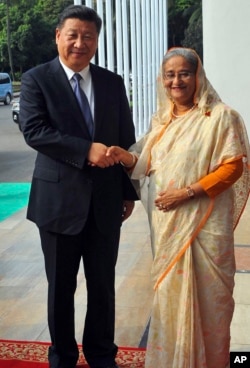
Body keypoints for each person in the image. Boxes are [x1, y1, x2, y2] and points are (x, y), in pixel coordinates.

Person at [107, 47, 250, 368]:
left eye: (184, 73)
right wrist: (124, 156)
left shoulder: (220, 116)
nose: (177, 81)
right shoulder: (162, 122)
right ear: (162, 79)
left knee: (211, 302)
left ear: (198, 76)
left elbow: (233, 167)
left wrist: (186, 193)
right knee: (171, 299)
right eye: (170, 74)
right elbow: (148, 166)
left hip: (206, 227)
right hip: (169, 228)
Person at [19, 5, 138, 368]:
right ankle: (63, 357)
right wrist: (86, 149)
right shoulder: (36, 79)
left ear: (97, 41)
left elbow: (125, 139)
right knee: (61, 289)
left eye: (88, 36)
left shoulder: (112, 83)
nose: (79, 43)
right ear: (58, 36)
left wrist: (127, 192)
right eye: (72, 35)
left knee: (102, 286)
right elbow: (35, 131)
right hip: (57, 204)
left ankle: (102, 354)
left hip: (104, 203)